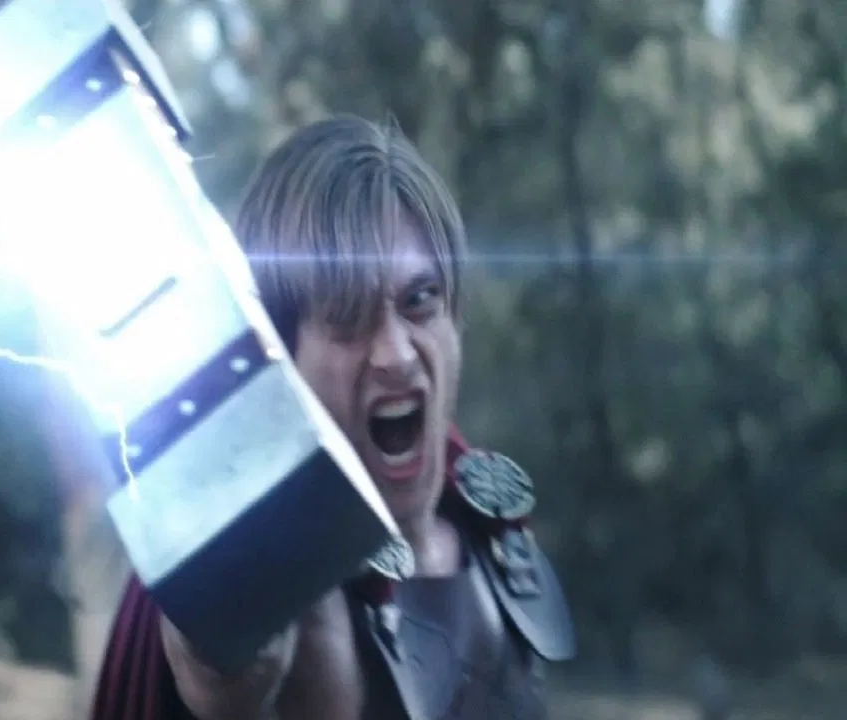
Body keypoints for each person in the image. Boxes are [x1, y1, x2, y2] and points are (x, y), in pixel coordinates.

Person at [89, 115, 575, 720]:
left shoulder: (487, 526)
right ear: (284, 357)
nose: (396, 354)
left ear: (456, 319)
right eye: (348, 318)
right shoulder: (262, 562)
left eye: (419, 301)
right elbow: (223, 670)